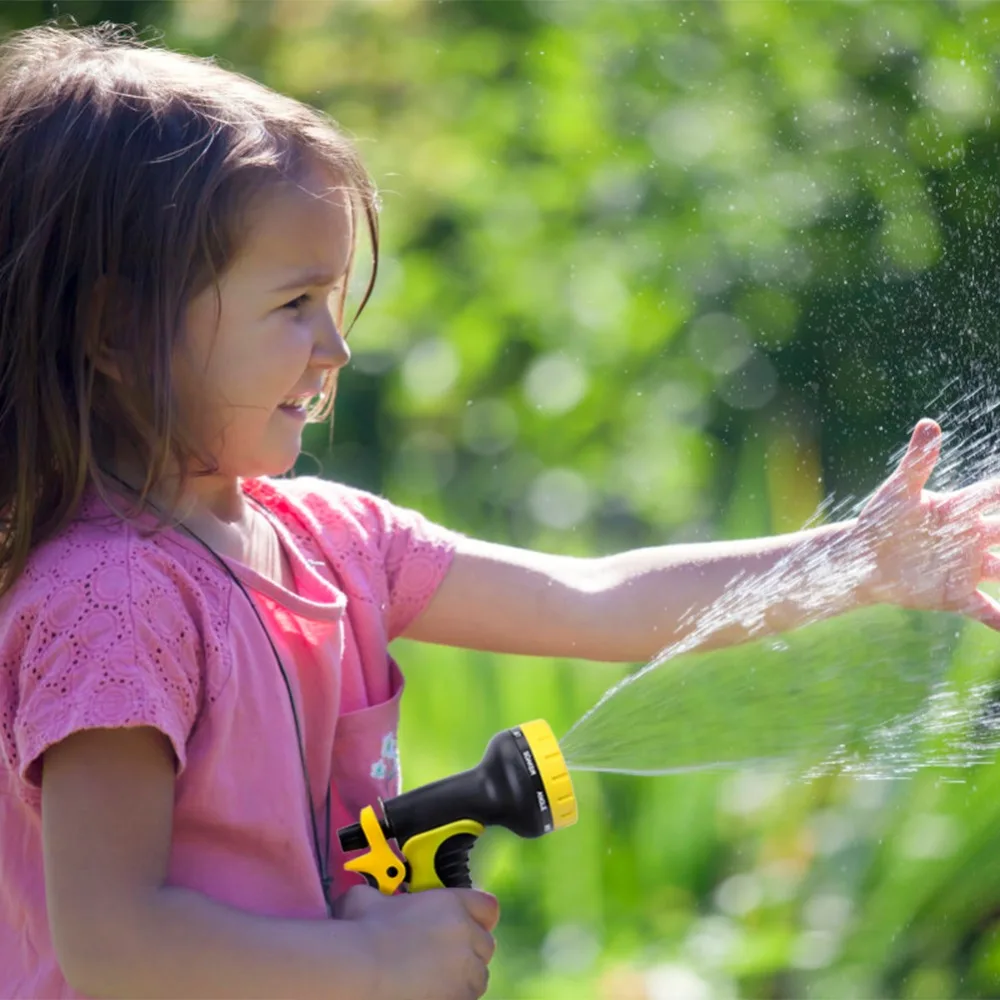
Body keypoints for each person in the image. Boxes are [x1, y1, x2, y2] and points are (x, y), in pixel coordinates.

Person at [1, 20, 998, 1000]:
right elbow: (115, 945)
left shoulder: (330, 540)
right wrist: (372, 965)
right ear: (115, 327)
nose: (334, 348)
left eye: (335, 299)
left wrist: (859, 559)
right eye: (293, 304)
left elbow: (595, 599)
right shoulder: (113, 603)